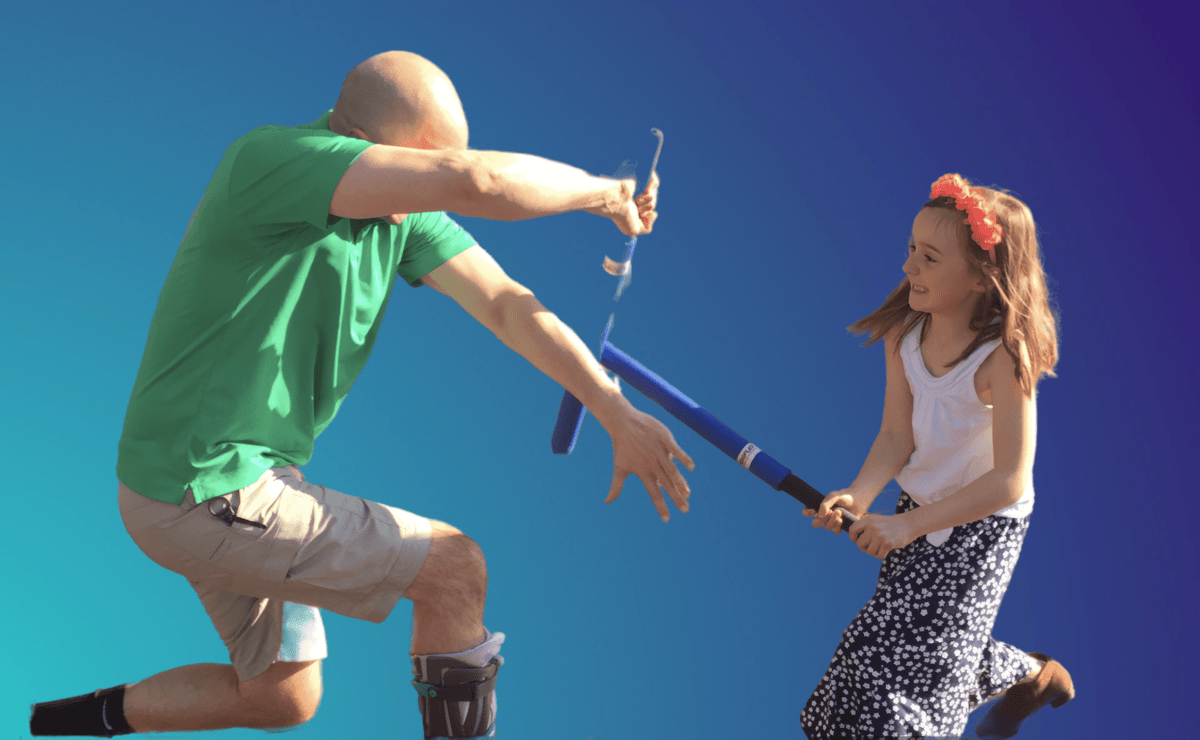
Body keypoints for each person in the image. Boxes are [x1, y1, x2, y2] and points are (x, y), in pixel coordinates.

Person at [29, 51, 694, 740]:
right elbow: (475, 179)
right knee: (453, 567)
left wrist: (614, 409)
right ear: (376, 147)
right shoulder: (274, 160)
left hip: (215, 487)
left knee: (282, 698)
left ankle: (57, 723)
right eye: (424, 168)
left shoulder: (402, 219)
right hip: (205, 489)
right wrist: (603, 193)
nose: (428, 193)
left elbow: (504, 304)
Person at [797, 174, 1074, 739]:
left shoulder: (1002, 358)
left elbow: (1009, 480)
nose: (908, 268)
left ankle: (1029, 676)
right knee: (888, 648)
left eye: (928, 257)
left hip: (982, 530)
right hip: (916, 507)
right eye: (910, 251)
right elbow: (897, 438)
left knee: (928, 668)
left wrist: (906, 527)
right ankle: (1034, 674)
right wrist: (858, 494)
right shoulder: (906, 336)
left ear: (980, 275)